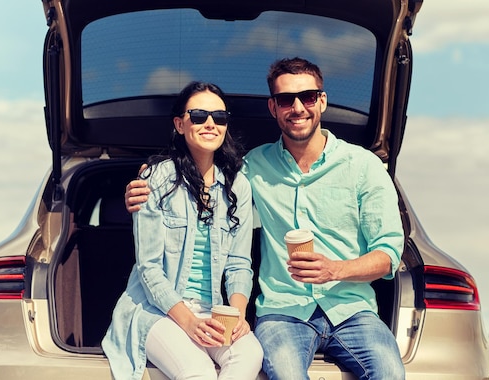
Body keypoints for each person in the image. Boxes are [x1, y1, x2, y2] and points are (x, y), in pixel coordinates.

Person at [125, 58, 405, 380]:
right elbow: (200, 173)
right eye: (286, 100)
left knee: (390, 373)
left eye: (308, 97)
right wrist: (144, 181)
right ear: (273, 107)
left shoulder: (364, 166)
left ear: (322, 101)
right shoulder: (251, 169)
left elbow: (389, 255)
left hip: (352, 310)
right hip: (282, 312)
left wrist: (335, 269)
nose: (297, 107)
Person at [102, 81, 263, 380]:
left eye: (220, 117)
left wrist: (237, 315)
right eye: (199, 115)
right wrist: (188, 322)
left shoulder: (238, 187)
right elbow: (149, 269)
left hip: (214, 311)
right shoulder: (156, 179)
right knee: (197, 371)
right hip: (157, 310)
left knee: (251, 354)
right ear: (179, 124)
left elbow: (240, 264)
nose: (210, 124)